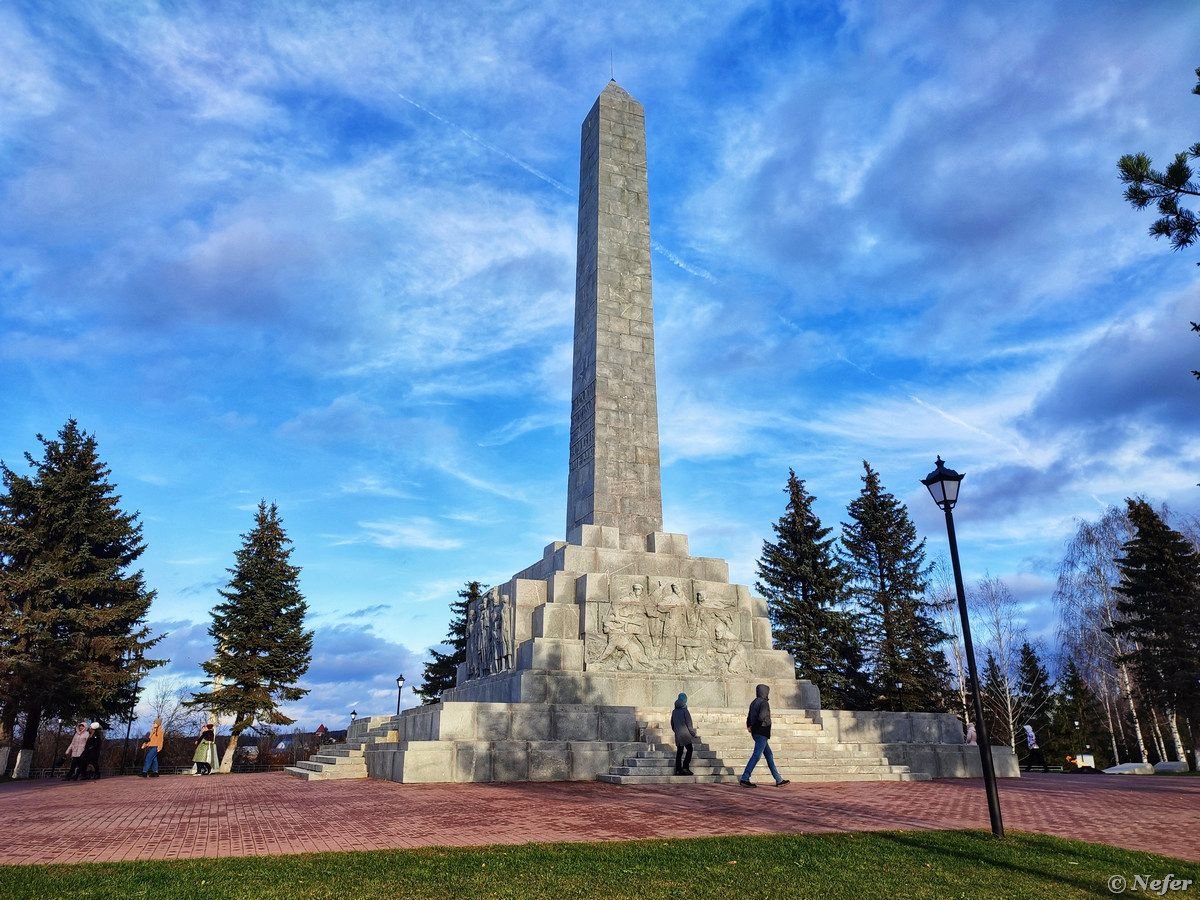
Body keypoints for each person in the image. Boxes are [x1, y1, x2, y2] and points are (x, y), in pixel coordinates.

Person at [739, 684, 788, 787]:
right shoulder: (764, 703)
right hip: (762, 731)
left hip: (756, 732)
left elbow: (748, 717)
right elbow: (762, 717)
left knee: (769, 755)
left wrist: (750, 727)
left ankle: (778, 779)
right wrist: (756, 727)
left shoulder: (753, 702)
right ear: (765, 692)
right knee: (756, 755)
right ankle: (745, 777)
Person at [671, 693, 698, 776]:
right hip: (685, 734)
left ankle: (678, 769)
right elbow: (689, 724)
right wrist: (693, 733)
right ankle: (685, 767)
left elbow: (672, 723)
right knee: (689, 749)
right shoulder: (685, 711)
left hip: (678, 735)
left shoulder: (674, 711)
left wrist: (676, 731)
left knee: (679, 752)